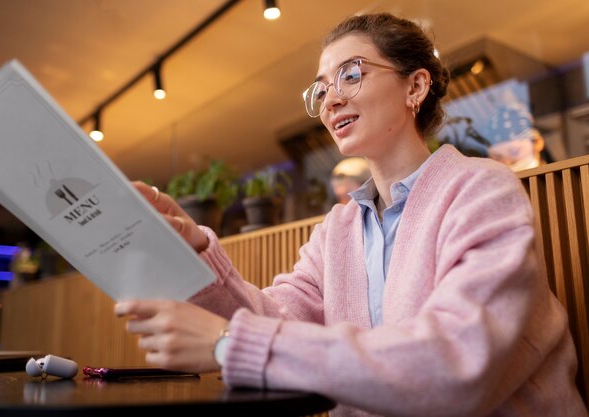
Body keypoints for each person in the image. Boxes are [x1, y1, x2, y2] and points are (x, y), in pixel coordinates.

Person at [114, 12, 587, 416]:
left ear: (415, 86)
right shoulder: (338, 229)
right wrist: (196, 252)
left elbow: (460, 362)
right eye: (321, 90)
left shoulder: (482, 190)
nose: (330, 100)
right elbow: (276, 319)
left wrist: (227, 345)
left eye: (351, 74)